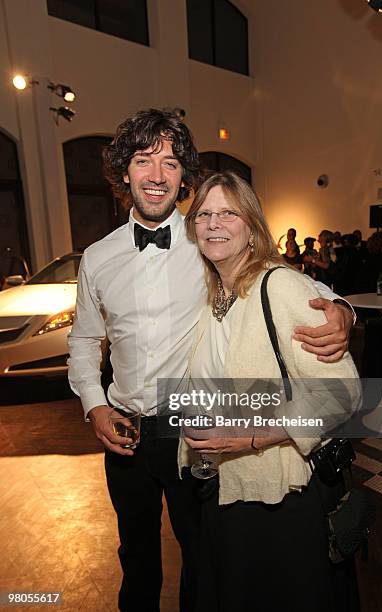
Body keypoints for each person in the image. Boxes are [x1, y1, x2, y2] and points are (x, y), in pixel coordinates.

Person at [67, 109, 355, 612]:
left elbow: (290, 285)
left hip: (190, 430)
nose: (157, 175)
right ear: (123, 171)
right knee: (135, 559)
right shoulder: (97, 258)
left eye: (171, 163)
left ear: (184, 178)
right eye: (143, 160)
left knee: (205, 560)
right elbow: (84, 341)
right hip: (124, 430)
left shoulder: (205, 241)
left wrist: (343, 312)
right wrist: (95, 406)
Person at [183, 171, 361, 612]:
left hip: (278, 494)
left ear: (251, 227)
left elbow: (342, 393)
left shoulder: (278, 285)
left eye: (228, 212)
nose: (213, 223)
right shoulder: (213, 295)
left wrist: (251, 436)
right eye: (204, 214)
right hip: (224, 483)